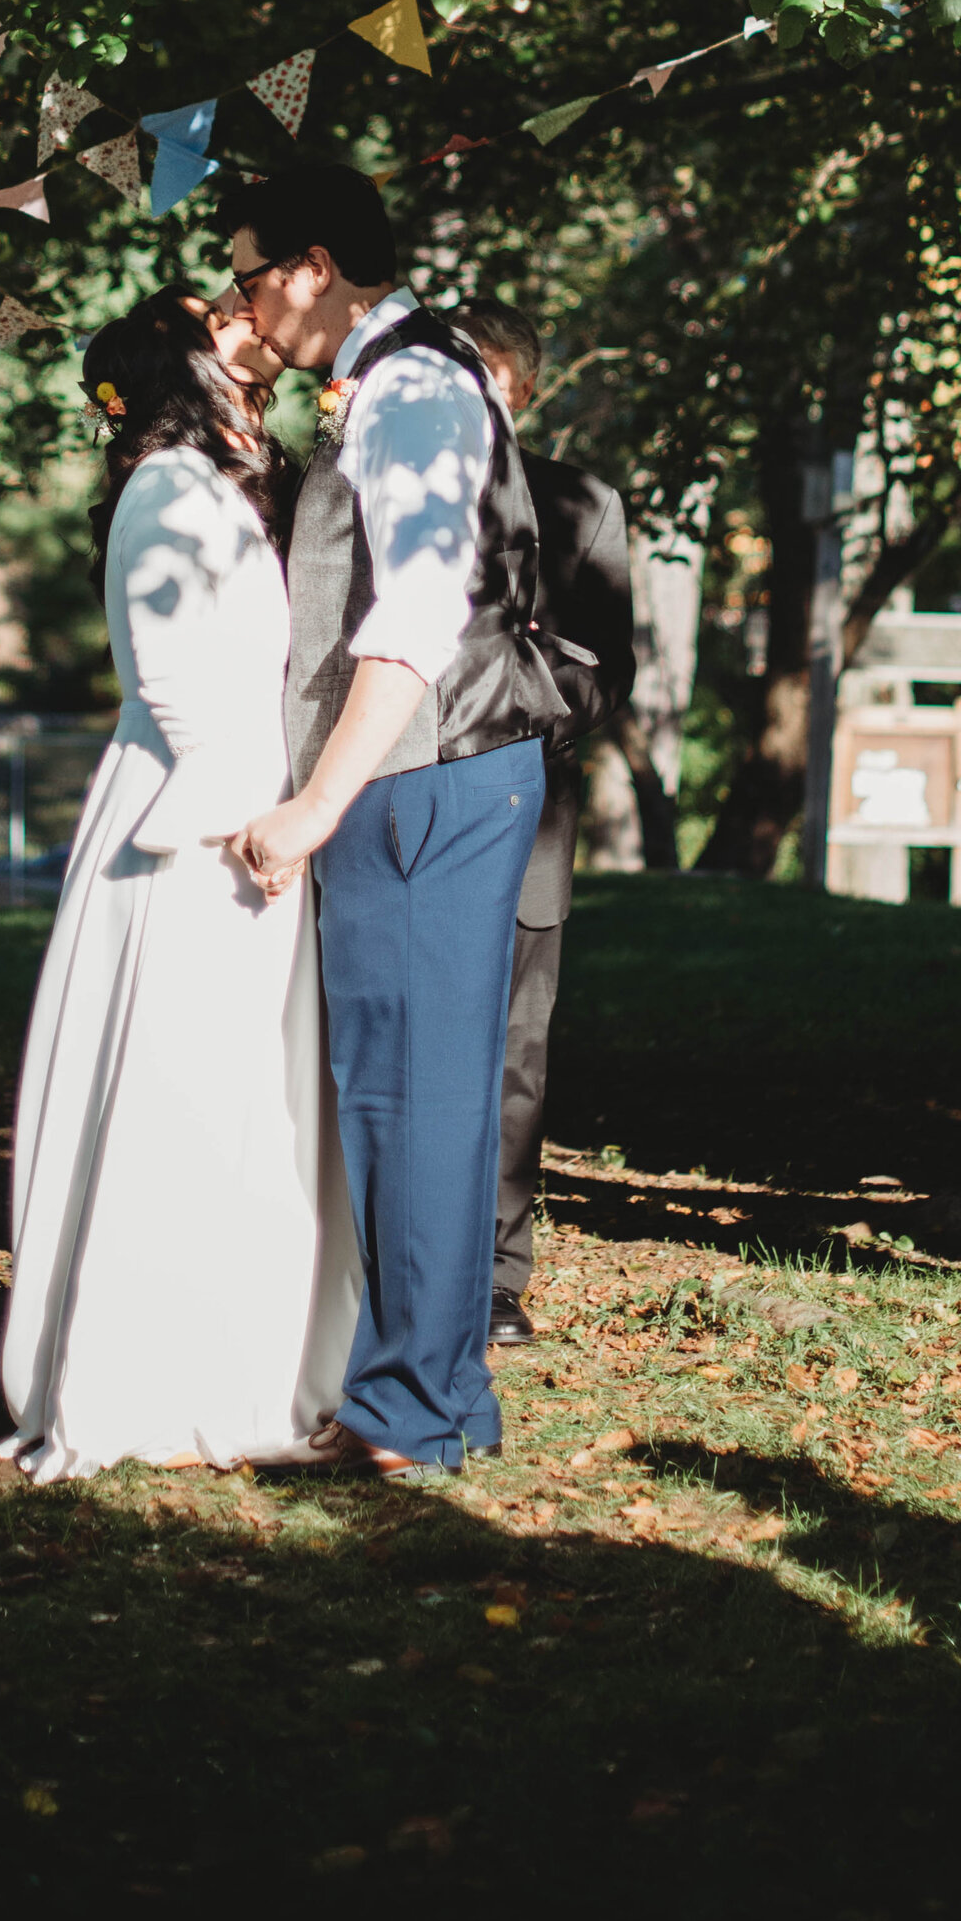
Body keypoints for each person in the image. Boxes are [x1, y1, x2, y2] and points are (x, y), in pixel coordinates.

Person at [225, 166, 566, 1476]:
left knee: (409, 1094)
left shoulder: (414, 384)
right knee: (419, 1095)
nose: (246, 307)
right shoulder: (406, 374)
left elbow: (414, 623)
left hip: (418, 774)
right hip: (432, 774)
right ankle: (439, 1396)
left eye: (251, 277)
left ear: (312, 263)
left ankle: (410, 1412)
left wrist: (315, 804)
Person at [0, 286, 360, 1479]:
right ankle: (149, 1377)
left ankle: (242, 1361)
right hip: (195, 830)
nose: (241, 313)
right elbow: (170, 673)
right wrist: (236, 820)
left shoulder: (226, 481)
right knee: (186, 1084)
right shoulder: (166, 485)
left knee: (249, 1097)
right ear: (181, 365)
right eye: (216, 314)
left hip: (247, 816)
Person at [444, 296, 637, 1347]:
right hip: (382, 814)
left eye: (476, 370)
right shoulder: (377, 484)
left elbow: (608, 677)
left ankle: (494, 1276)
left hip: (526, 813)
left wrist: (496, 703)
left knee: (515, 1052)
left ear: (519, 386)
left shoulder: (579, 503)